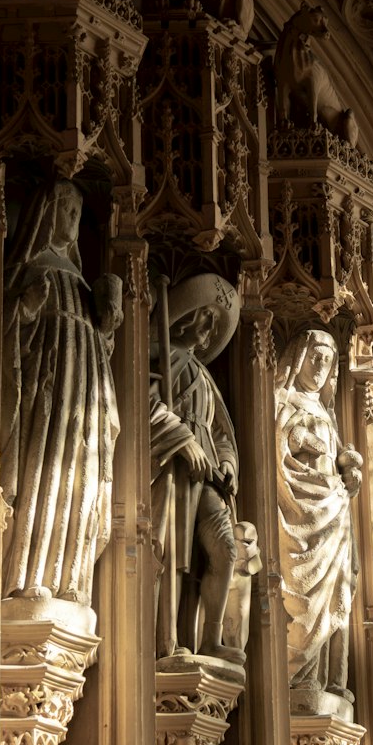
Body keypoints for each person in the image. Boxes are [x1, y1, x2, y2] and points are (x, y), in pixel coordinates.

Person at [1, 180, 121, 608]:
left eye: (77, 214)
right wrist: (27, 304)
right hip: (47, 394)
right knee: (44, 474)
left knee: (78, 482)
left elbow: (100, 351)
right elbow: (3, 326)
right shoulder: (27, 268)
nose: (72, 222)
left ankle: (70, 577)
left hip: (84, 397)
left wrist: (105, 328)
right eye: (66, 211)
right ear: (44, 212)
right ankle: (29, 575)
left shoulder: (83, 285)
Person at [151, 273, 240, 656]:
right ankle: (166, 644)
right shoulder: (165, 357)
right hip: (174, 472)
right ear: (185, 318)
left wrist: (228, 462)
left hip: (209, 480)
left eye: (214, 323)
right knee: (172, 555)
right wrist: (182, 439)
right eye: (205, 318)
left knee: (226, 550)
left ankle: (210, 639)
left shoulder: (204, 376)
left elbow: (221, 431)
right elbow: (144, 402)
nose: (210, 328)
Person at [274, 328, 362, 694]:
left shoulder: (326, 412)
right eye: (314, 357)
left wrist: (349, 467)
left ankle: (330, 681)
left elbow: (336, 455)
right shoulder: (284, 400)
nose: (320, 366)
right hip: (301, 512)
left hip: (334, 513)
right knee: (307, 599)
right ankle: (300, 679)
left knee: (339, 591)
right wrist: (305, 443)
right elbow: (280, 446)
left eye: (327, 361)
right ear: (298, 358)